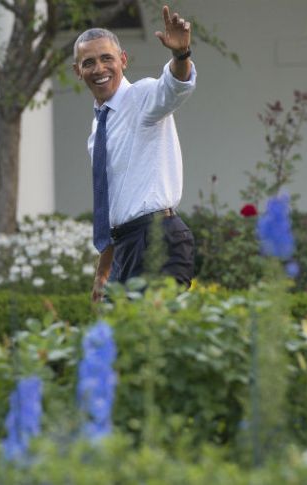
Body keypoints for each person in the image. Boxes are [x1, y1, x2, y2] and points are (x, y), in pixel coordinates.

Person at [73, 5, 197, 303]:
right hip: (125, 249)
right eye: (89, 62)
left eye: (107, 58)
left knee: (151, 340)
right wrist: (103, 270)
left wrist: (181, 54)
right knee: (119, 343)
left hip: (158, 240)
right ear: (78, 72)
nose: (99, 68)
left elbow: (174, 87)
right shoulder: (98, 131)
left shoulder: (141, 97)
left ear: (123, 60)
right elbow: (114, 205)